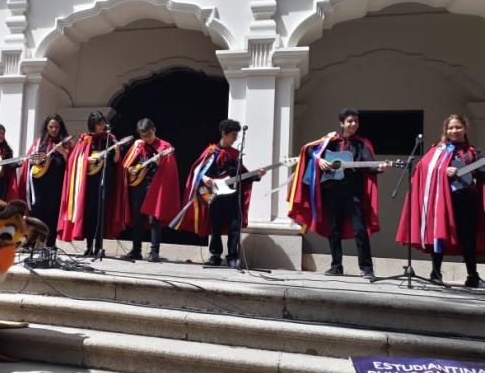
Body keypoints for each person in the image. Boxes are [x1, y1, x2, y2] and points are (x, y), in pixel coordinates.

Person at [288, 108, 387, 278]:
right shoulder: (331, 141)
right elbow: (309, 150)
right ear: (342, 123)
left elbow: (369, 164)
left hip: (353, 192)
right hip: (332, 191)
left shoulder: (362, 143)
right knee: (333, 230)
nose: (353, 124)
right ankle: (336, 266)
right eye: (350, 121)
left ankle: (367, 268)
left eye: (356, 121)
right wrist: (321, 161)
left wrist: (379, 167)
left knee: (360, 230)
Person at [396, 114, 485, 288]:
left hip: (467, 200)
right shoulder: (438, 149)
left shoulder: (473, 151)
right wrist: (444, 169)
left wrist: (477, 171)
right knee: (440, 235)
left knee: (469, 238)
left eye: (458, 127)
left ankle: (472, 276)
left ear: (465, 129)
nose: (454, 131)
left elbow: (481, 173)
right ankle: (435, 274)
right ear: (445, 130)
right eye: (451, 128)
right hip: (443, 201)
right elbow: (424, 167)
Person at [171, 119, 264, 268]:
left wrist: (257, 175)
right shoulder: (211, 151)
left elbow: (242, 175)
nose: (235, 138)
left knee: (234, 227)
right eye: (233, 135)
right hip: (215, 196)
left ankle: (233, 257)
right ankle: (215, 255)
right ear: (224, 134)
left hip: (233, 197)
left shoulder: (235, 155)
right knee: (215, 227)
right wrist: (207, 178)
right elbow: (197, 171)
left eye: (236, 135)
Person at [114, 118, 180, 262]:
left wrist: (160, 163)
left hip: (155, 185)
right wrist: (130, 169)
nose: (147, 139)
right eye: (144, 136)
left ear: (154, 129)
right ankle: (136, 251)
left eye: (149, 135)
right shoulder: (139, 145)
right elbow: (128, 164)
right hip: (138, 185)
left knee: (154, 219)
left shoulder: (165, 146)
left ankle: (154, 252)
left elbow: (169, 171)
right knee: (137, 219)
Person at [57, 110, 123, 256]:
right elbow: (75, 160)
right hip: (89, 183)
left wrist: (117, 151)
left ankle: (99, 247)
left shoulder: (110, 139)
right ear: (92, 124)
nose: (101, 126)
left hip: (105, 180)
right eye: (99, 124)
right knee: (89, 214)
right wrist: (87, 160)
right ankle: (89, 246)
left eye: (103, 123)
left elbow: (116, 161)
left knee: (101, 213)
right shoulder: (85, 139)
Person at [19, 114, 72, 250]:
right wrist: (34, 160)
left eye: (56, 127)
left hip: (57, 185)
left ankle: (50, 244)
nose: (54, 130)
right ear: (46, 128)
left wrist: (63, 152)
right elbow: (29, 160)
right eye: (51, 127)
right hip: (39, 185)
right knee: (37, 213)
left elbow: (73, 163)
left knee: (53, 214)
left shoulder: (67, 143)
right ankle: (32, 243)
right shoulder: (39, 143)